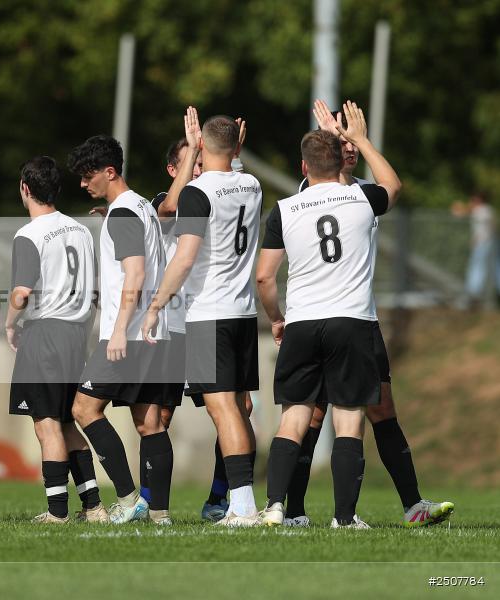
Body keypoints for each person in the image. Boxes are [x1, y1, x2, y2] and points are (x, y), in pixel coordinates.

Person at [282, 100, 455, 528]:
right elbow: (384, 184)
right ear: (328, 155)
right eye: (339, 145)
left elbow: (387, 183)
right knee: (314, 414)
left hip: (360, 318)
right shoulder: (313, 196)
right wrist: (342, 139)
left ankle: (413, 504)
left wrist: (357, 140)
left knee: (382, 409)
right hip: (327, 319)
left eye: (351, 144)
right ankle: (295, 511)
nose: (349, 149)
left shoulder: (361, 192)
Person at [257, 102, 402, 529]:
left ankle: (277, 508)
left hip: (301, 323)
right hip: (350, 321)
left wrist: (277, 318)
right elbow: (392, 184)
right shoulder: (361, 197)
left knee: (294, 418)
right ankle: (343, 517)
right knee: (349, 419)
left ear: (303, 165)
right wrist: (360, 139)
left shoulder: (284, 208)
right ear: (342, 159)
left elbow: (265, 277)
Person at [142, 114, 263, 527]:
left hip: (209, 314)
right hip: (244, 312)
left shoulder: (198, 193)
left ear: (201, 147)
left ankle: (243, 505)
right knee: (238, 409)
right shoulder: (251, 184)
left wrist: (156, 304)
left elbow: (186, 256)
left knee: (223, 409)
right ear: (237, 148)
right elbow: (228, 168)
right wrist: (229, 149)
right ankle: (236, 500)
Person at [68, 135, 174, 526]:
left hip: (127, 335)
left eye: (87, 175)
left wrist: (117, 331)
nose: (83, 183)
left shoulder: (124, 213)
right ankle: (159, 514)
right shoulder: (140, 206)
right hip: (154, 333)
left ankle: (129, 500)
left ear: (109, 172)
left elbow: (136, 271)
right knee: (149, 422)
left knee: (84, 407)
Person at [6, 156, 108, 524]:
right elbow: (94, 291)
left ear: (25, 189)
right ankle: (94, 507)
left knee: (46, 423)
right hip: (75, 334)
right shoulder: (81, 230)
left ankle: (57, 512)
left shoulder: (29, 234)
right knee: (66, 422)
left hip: (45, 333)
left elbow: (21, 292)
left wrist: (9, 324)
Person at [454, 193, 499, 306]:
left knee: (477, 267)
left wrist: (458, 208)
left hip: (483, 244)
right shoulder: (487, 210)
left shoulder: (482, 211)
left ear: (478, 201)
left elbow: (460, 213)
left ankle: (473, 293)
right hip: (489, 244)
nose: (471, 203)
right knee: (493, 267)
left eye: (472, 200)